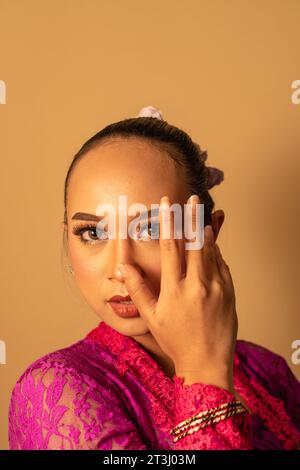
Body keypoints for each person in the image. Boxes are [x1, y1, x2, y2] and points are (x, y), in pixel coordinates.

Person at [8, 106, 300, 450]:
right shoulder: (55, 392)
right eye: (92, 232)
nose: (122, 268)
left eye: (150, 228)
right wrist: (203, 373)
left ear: (209, 232)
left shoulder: (266, 369)